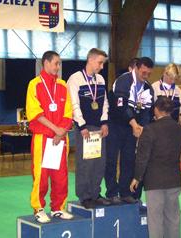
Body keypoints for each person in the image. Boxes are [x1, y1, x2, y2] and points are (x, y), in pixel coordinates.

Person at [26, 51, 73, 223]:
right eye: (56, 63)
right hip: (43, 138)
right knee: (41, 175)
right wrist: (56, 130)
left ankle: (58, 208)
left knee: (60, 175)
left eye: (59, 64)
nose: (58, 67)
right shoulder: (34, 84)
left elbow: (68, 112)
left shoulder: (62, 85)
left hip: (60, 139)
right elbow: (34, 113)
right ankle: (39, 208)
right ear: (46, 63)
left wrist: (61, 132)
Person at [130, 96, 181, 238]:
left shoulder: (149, 129)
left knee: (155, 220)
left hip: (155, 181)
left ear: (156, 110)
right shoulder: (179, 129)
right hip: (174, 179)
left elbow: (142, 157)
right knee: (173, 218)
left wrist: (136, 177)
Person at [105, 57, 154, 204]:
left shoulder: (148, 88)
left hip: (132, 129)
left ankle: (125, 192)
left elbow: (147, 112)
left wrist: (141, 127)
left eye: (149, 74)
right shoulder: (123, 81)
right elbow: (121, 106)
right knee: (111, 160)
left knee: (129, 160)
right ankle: (112, 192)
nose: (146, 76)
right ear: (136, 68)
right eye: (144, 72)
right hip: (115, 125)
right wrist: (134, 124)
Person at [67, 48, 111, 209]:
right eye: (100, 63)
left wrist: (105, 122)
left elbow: (105, 102)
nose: (101, 67)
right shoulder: (75, 79)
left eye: (103, 63)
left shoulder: (100, 79)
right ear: (90, 60)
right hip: (84, 128)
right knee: (86, 163)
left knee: (100, 162)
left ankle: (95, 193)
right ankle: (84, 196)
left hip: (99, 128)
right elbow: (73, 104)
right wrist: (82, 125)